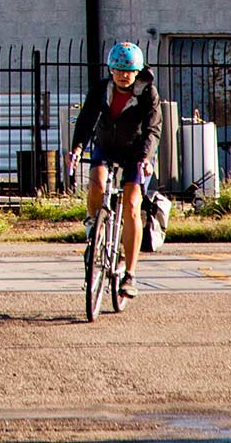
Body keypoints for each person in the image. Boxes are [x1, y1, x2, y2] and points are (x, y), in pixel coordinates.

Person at [67, 40, 162, 299]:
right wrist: (77, 148)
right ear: (110, 70)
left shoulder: (148, 93)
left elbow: (153, 129)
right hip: (106, 147)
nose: (123, 75)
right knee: (96, 182)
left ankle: (130, 274)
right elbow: (86, 119)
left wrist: (145, 158)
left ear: (138, 71)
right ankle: (93, 227)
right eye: (118, 69)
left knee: (132, 205)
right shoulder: (101, 89)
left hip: (135, 153)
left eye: (129, 70)